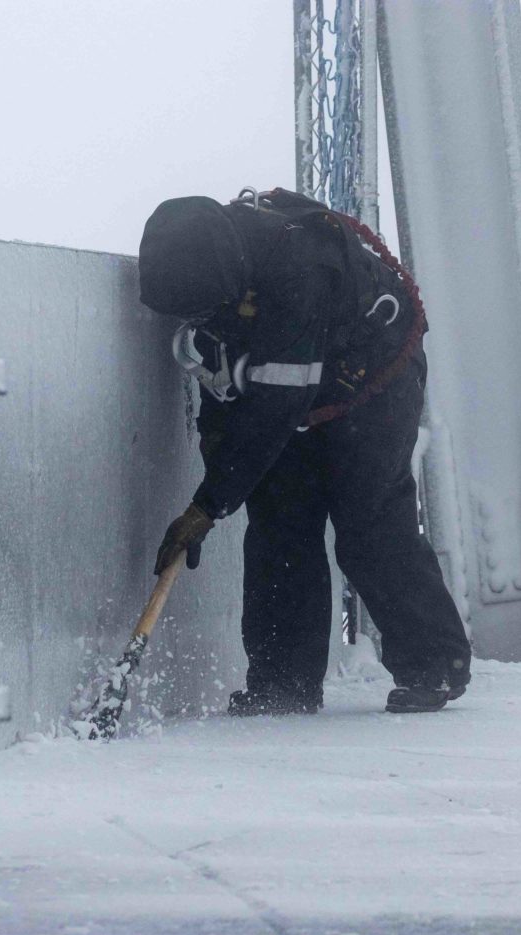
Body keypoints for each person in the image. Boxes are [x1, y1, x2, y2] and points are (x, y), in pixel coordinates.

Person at [137, 187, 472, 716]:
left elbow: (273, 408)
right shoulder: (213, 278)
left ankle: (435, 664)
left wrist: (207, 506)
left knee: (369, 523)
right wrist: (216, 488)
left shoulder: (299, 267)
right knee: (278, 523)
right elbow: (224, 394)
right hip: (295, 383)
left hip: (374, 379)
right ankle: (282, 682)